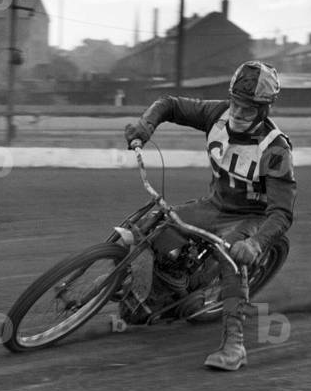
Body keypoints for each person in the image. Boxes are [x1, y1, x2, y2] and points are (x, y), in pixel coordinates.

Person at [123, 61, 296, 371]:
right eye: (235, 104)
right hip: (214, 205)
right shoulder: (218, 115)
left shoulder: (277, 150)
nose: (238, 115)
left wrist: (256, 243)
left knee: (231, 258)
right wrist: (145, 126)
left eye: (249, 110)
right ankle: (159, 288)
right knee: (153, 226)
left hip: (250, 218)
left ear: (265, 110)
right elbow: (170, 104)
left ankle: (234, 346)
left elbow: (282, 212)